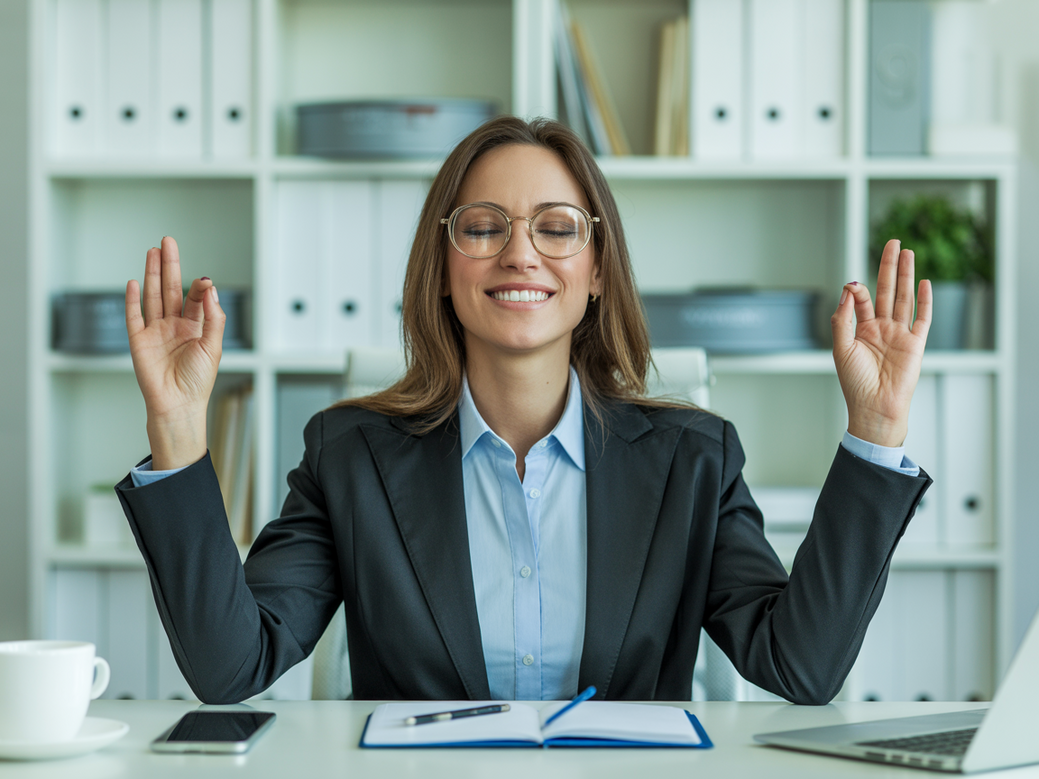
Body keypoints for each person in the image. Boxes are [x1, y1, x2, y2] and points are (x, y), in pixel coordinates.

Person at [116, 116, 932, 705]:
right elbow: (232, 668)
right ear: (441, 267)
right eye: (482, 227)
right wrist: (180, 429)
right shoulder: (348, 456)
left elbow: (799, 666)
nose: (519, 253)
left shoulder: (694, 459)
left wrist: (875, 433)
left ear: (598, 270)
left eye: (556, 228)